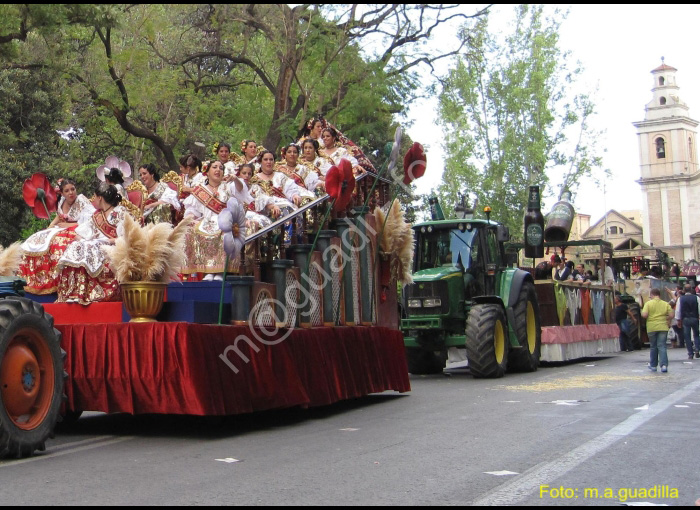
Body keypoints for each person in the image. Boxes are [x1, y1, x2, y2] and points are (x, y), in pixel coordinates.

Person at [18, 178, 96, 294]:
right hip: (61, 228)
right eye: (67, 191)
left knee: (57, 244)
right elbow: (58, 217)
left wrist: (68, 224)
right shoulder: (62, 201)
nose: (71, 193)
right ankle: (35, 279)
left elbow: (90, 221)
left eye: (72, 189)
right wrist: (50, 226)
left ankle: (60, 281)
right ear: (62, 193)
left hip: (79, 229)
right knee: (36, 238)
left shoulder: (82, 200)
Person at [55, 183, 127, 304]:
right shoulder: (97, 214)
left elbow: (126, 238)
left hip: (113, 247)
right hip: (96, 245)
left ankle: (88, 293)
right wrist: (81, 239)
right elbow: (82, 232)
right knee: (76, 246)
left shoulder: (120, 212)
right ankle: (74, 292)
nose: (93, 199)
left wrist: (108, 241)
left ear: (100, 198)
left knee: (89, 248)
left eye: (94, 196)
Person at [181, 160, 246, 281]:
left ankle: (220, 271)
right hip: (206, 221)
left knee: (225, 229)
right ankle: (207, 271)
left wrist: (235, 179)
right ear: (207, 172)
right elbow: (192, 210)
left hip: (226, 220)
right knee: (189, 229)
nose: (218, 170)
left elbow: (241, 189)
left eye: (221, 168)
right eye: (214, 167)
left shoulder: (228, 187)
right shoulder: (200, 190)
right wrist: (189, 219)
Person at [247, 150, 302, 219]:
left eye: (271, 159)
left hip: (285, 204)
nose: (268, 162)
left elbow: (290, 188)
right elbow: (257, 198)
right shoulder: (255, 179)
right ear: (260, 162)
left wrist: (294, 195)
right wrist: (272, 206)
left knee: (290, 208)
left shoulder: (280, 176)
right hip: (266, 209)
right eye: (265, 159)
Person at [642, 287, 673, 372]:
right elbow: (671, 315)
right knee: (662, 346)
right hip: (663, 327)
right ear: (659, 295)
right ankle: (664, 366)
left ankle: (653, 366)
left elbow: (644, 315)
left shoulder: (648, 304)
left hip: (652, 327)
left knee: (653, 346)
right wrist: (667, 319)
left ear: (652, 295)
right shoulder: (665, 304)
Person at [675, 284, 700, 360]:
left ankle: (690, 353)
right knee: (696, 335)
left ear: (684, 290)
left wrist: (678, 320)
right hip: (695, 318)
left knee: (687, 336)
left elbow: (678, 310)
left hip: (685, 319)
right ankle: (697, 349)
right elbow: (699, 308)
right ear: (691, 290)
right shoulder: (696, 298)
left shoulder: (680, 299)